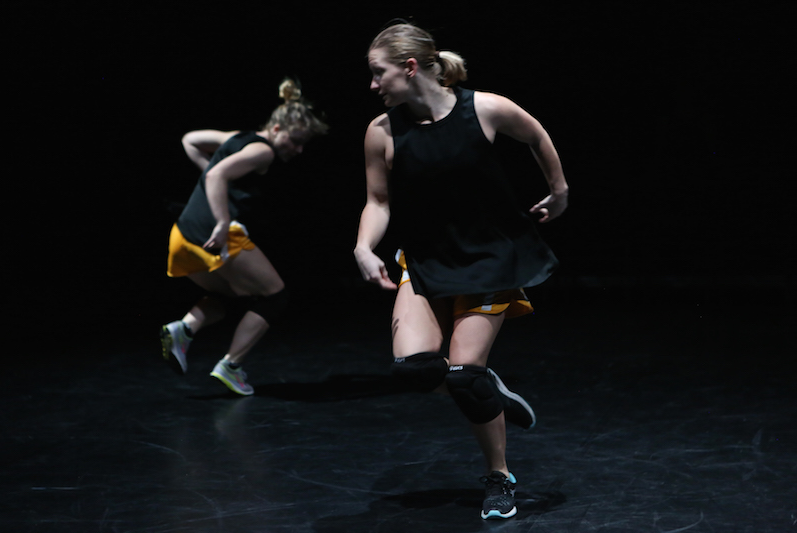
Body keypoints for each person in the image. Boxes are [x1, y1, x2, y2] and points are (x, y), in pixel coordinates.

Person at [354, 23, 569, 520]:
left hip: (490, 260)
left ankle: (499, 477)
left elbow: (535, 135)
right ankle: (487, 387)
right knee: (417, 370)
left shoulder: (485, 108)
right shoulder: (382, 131)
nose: (372, 84)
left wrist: (558, 191)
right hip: (426, 260)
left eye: (377, 73)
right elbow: (378, 201)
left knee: (466, 379)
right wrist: (365, 246)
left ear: (409, 68)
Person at [161, 78, 328, 396]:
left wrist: (218, 185)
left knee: (230, 296)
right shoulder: (263, 151)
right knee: (274, 296)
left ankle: (182, 330)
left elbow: (190, 141)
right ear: (277, 129)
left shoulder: (236, 138)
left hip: (181, 235)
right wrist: (222, 219)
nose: (299, 149)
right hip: (215, 236)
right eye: (296, 140)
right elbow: (216, 174)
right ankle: (231, 365)